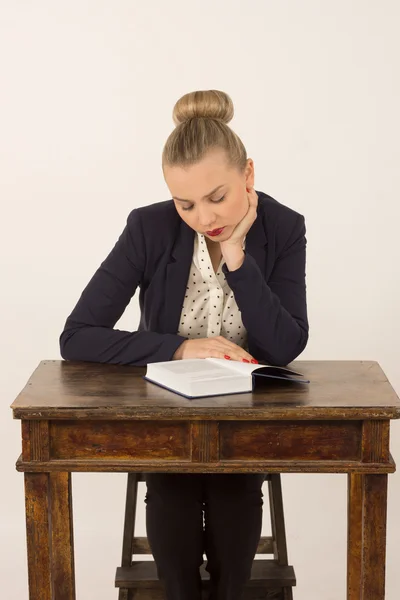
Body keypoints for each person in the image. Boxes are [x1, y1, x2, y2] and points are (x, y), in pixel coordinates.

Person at [60, 89, 309, 600]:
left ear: (249, 175)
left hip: (243, 420)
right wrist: (177, 348)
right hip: (166, 418)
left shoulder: (284, 227)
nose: (202, 217)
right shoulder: (148, 227)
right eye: (185, 203)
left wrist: (238, 258)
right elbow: (78, 335)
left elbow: (284, 345)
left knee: (234, 502)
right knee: (172, 500)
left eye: (217, 197)